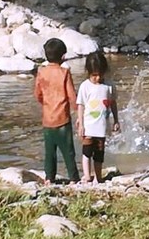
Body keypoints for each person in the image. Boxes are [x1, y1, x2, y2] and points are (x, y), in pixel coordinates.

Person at [34, 38, 80, 184]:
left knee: (50, 153)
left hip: (47, 120)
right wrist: (79, 113)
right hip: (63, 120)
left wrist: (45, 104)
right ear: (63, 57)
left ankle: (49, 178)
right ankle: (73, 178)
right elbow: (72, 96)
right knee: (68, 152)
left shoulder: (41, 72)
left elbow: (38, 94)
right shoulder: (65, 73)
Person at [76, 51, 120, 183]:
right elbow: (81, 105)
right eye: (94, 75)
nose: (98, 78)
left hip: (101, 127)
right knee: (87, 151)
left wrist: (116, 120)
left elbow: (112, 104)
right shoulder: (85, 86)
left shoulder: (109, 86)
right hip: (88, 126)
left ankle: (98, 176)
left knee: (99, 154)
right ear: (88, 72)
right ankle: (87, 175)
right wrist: (81, 124)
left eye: (100, 74)